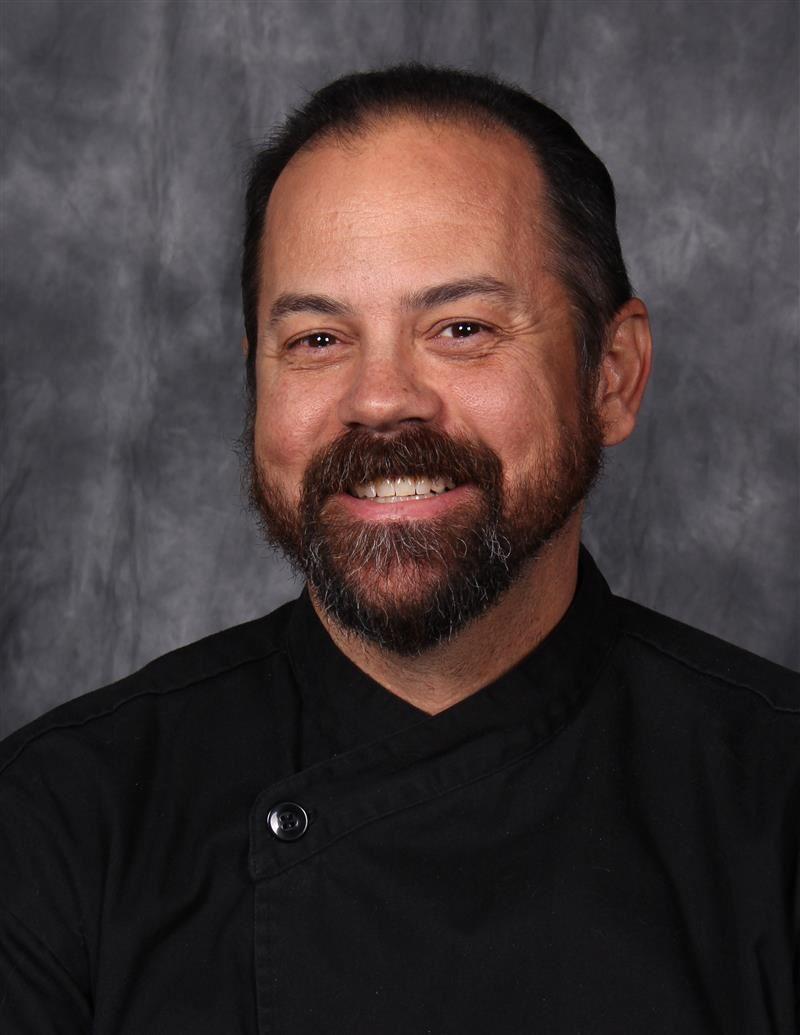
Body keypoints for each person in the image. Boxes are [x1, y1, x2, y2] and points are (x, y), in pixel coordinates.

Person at [1, 63, 797, 1034]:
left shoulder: (774, 807)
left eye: (460, 328)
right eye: (317, 340)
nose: (380, 400)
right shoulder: (58, 825)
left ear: (611, 377)